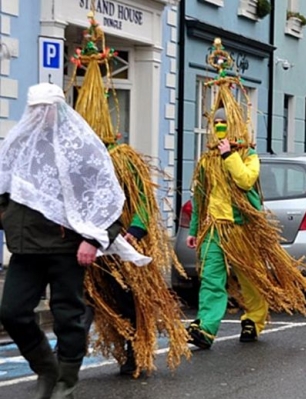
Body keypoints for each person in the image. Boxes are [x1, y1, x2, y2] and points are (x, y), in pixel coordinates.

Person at [0, 82, 149, 399]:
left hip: (67, 248)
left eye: (47, 109)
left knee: (69, 317)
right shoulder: (20, 145)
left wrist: (93, 240)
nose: (41, 115)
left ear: (58, 109)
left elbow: (108, 201)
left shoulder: (81, 148)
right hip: (26, 247)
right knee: (12, 311)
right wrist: (7, 216)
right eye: (36, 109)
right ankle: (47, 371)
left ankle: (65, 386)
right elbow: (4, 187)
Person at [185, 39, 306, 349]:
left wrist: (229, 156)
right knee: (211, 280)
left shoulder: (248, 156)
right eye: (216, 123)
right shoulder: (207, 159)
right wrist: (195, 230)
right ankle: (206, 330)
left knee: (248, 276)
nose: (219, 128)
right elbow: (200, 196)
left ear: (233, 127)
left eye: (224, 124)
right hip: (214, 229)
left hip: (241, 228)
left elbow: (246, 181)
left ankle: (254, 318)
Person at [72, 12, 190, 378]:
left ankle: (135, 347)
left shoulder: (122, 160)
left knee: (127, 297)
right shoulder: (75, 164)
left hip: (119, 241)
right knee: (96, 299)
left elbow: (141, 203)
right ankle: (112, 346)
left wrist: (134, 233)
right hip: (86, 245)